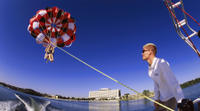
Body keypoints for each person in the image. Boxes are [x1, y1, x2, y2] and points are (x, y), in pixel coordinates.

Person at [142, 43, 184, 111]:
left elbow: (173, 82)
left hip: (171, 98)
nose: (142, 53)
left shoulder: (161, 63)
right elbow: (156, 84)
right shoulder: (149, 70)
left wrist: (181, 101)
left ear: (150, 51)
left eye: (143, 51)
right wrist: (156, 99)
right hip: (161, 100)